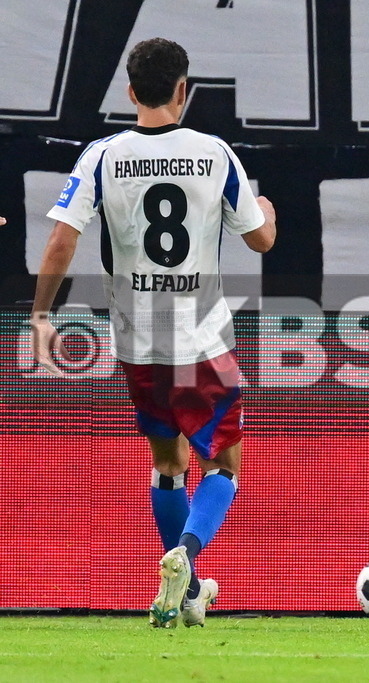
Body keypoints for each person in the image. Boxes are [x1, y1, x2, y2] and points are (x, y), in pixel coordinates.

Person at [30, 38, 276, 628]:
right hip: (203, 339)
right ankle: (186, 557)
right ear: (183, 90)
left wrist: (40, 315)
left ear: (132, 91)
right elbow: (259, 240)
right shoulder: (215, 154)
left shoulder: (102, 155)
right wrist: (267, 209)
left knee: (168, 465)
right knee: (223, 466)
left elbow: (63, 240)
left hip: (138, 341)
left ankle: (185, 595)